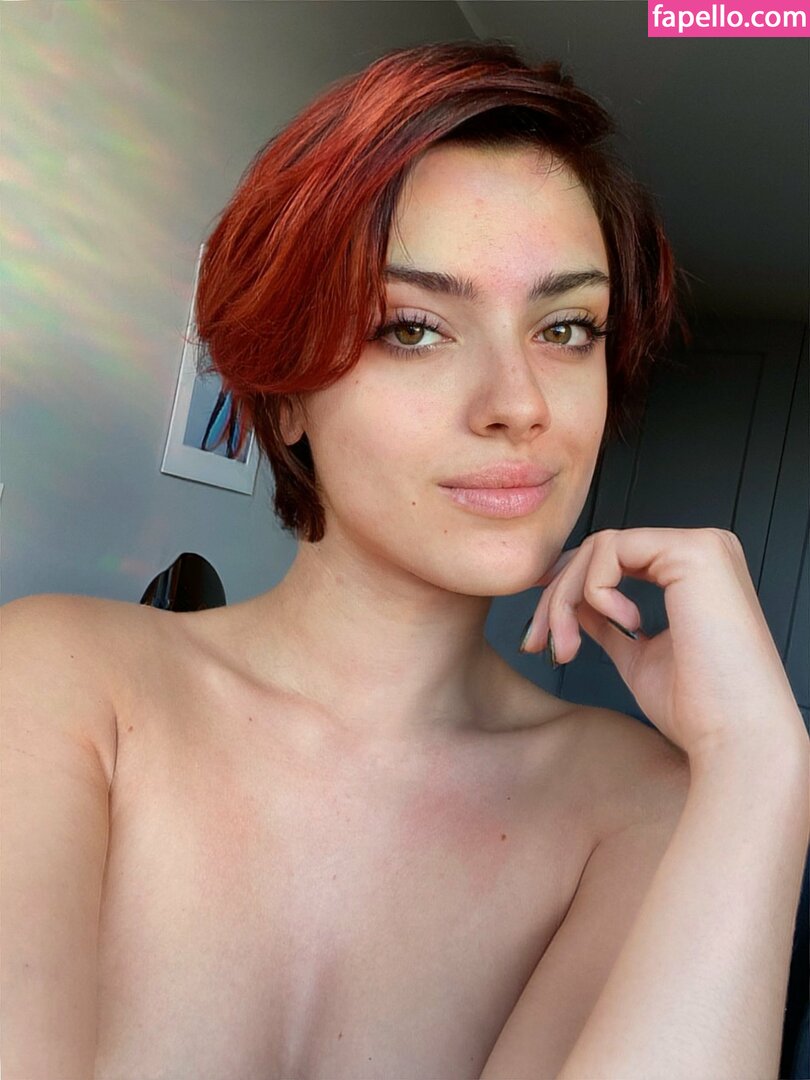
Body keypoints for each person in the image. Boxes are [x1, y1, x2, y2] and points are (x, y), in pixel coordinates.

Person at [4, 40, 807, 1080]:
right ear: (284, 393)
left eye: (568, 328)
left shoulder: (646, 808)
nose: (520, 403)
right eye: (415, 329)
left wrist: (762, 766)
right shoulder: (58, 683)